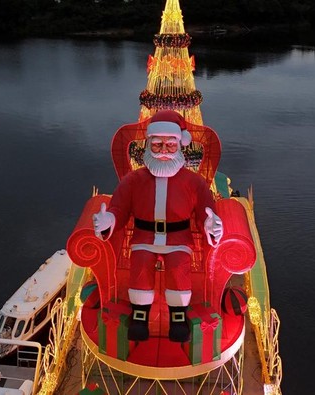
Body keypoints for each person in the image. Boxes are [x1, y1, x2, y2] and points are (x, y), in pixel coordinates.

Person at [93, 110, 223, 342]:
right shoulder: (132, 181)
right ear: (148, 145)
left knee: (179, 269)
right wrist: (108, 221)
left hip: (178, 239)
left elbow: (206, 210)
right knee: (140, 267)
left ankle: (178, 318)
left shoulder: (194, 182)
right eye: (158, 144)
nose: (163, 151)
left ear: (180, 145)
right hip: (143, 237)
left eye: (170, 145)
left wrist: (211, 225)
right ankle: (140, 318)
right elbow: (119, 209)